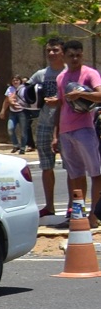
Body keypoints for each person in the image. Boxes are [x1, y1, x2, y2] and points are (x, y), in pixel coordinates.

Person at [56, 40, 101, 215]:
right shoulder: (61, 77)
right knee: (75, 176)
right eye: (71, 55)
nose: (75, 58)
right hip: (65, 131)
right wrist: (55, 134)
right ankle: (79, 214)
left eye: (78, 55)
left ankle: (94, 215)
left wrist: (82, 94)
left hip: (84, 129)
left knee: (95, 172)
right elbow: (61, 105)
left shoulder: (90, 73)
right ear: (64, 56)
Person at [33, 38, 66, 217]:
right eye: (48, 50)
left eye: (55, 50)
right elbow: (25, 91)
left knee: (71, 167)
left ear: (63, 52)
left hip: (66, 125)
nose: (51, 53)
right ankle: (49, 205)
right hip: (44, 123)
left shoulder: (69, 73)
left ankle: (72, 206)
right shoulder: (40, 74)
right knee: (46, 166)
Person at [4, 75, 30, 154]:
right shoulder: (10, 89)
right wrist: (3, 111)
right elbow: (7, 100)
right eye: (13, 80)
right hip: (13, 112)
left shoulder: (24, 88)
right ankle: (15, 145)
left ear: (20, 81)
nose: (15, 82)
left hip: (22, 112)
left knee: (23, 131)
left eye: (17, 80)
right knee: (10, 129)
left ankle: (22, 147)